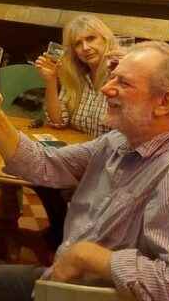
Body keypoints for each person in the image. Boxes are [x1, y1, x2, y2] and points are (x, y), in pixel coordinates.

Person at [0, 41, 169, 301]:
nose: (106, 88)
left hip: (92, 294)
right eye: (111, 78)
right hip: (65, 283)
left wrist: (89, 257)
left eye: (123, 82)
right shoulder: (119, 140)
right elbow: (44, 165)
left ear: (165, 103)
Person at [27, 15, 116, 254]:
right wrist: (51, 81)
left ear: (105, 39)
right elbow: (58, 121)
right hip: (82, 156)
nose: (85, 48)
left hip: (111, 160)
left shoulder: (120, 77)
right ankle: (60, 230)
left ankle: (71, 238)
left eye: (91, 39)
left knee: (49, 177)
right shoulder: (78, 77)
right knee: (40, 175)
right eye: (78, 43)